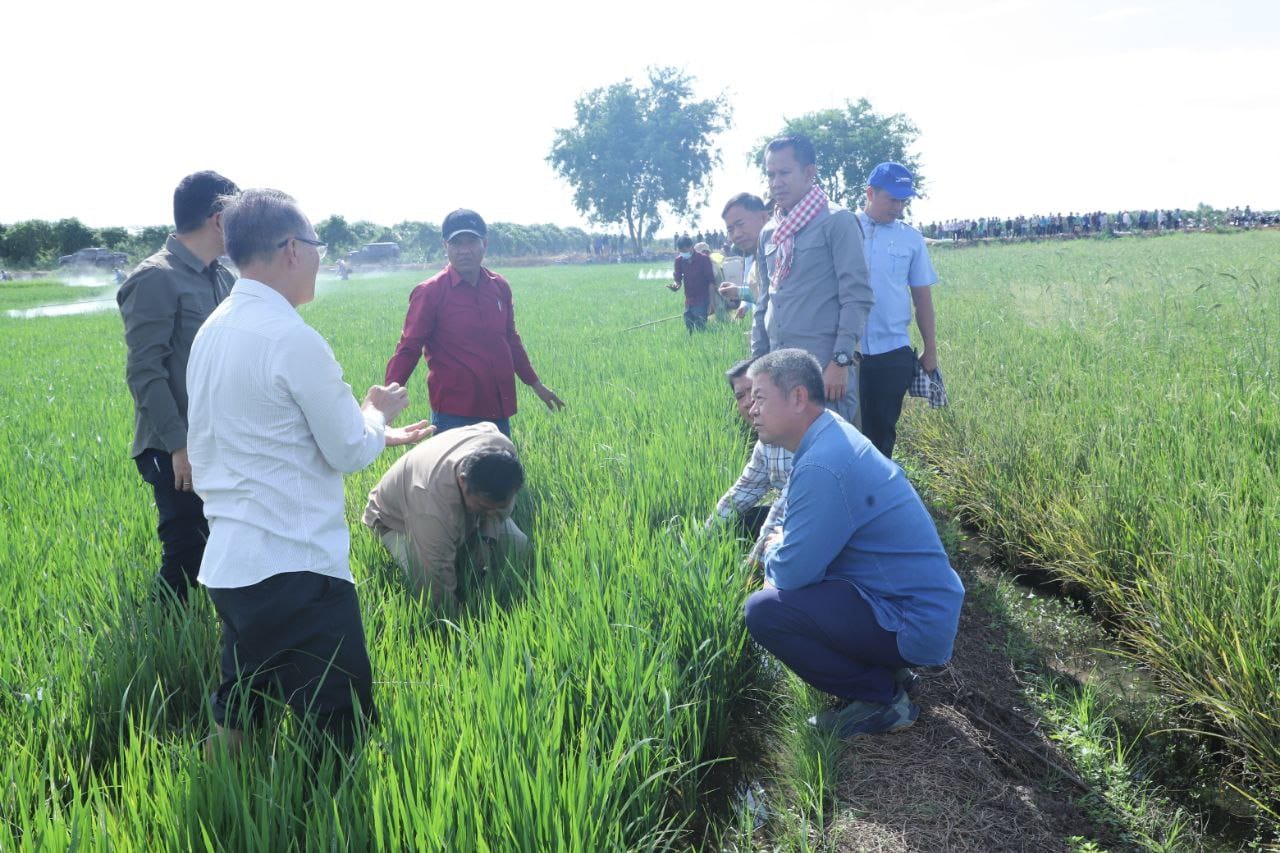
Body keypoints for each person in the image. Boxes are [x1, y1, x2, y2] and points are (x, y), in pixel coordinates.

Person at [186, 188, 432, 753]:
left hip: (230, 567)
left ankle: (224, 796)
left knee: (240, 708)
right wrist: (376, 413)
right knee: (339, 730)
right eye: (318, 245)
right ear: (293, 248)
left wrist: (372, 429)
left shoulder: (212, 331)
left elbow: (252, 436)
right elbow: (348, 450)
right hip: (295, 569)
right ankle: (329, 808)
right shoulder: (292, 339)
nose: (322, 258)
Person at [742, 349, 964, 738]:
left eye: (759, 397)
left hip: (912, 622)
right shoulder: (830, 434)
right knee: (805, 582)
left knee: (765, 612)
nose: (751, 409)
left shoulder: (823, 464)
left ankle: (882, 699)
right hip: (915, 607)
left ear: (798, 397)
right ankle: (888, 670)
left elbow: (792, 574)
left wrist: (774, 548)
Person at [117, 170, 239, 605]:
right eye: (238, 215)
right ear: (219, 218)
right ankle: (164, 636)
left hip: (219, 437)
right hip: (175, 446)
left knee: (224, 544)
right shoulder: (156, 277)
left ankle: (218, 626)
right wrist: (179, 445)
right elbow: (144, 371)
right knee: (186, 551)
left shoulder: (223, 278)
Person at [384, 209, 564, 438]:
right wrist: (387, 399)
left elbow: (510, 340)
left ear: (484, 244)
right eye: (456, 243)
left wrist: (536, 385)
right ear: (445, 246)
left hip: (498, 409)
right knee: (454, 464)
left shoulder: (499, 287)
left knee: (500, 463)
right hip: (455, 414)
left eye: (471, 241)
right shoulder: (430, 292)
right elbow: (409, 348)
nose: (464, 250)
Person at [752, 135, 874, 425]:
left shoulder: (836, 221)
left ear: (809, 172)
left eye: (784, 173)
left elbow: (856, 297)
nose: (776, 183)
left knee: (830, 448)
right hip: (779, 371)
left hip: (824, 372)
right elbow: (765, 302)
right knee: (786, 449)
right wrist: (755, 366)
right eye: (770, 174)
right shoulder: (770, 232)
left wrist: (840, 362)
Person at [363, 422, 527, 610]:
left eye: (499, 507)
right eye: (484, 507)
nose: (491, 513)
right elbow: (436, 578)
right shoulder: (431, 505)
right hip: (394, 521)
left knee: (517, 544)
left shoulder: (503, 449)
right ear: (462, 481)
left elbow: (488, 426)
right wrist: (456, 619)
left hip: (452, 501)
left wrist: (487, 537)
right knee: (428, 577)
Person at [855, 162, 940, 459]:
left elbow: (922, 298)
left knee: (882, 432)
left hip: (892, 351)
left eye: (903, 201)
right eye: (892, 199)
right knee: (846, 430)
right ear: (870, 193)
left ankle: (878, 486)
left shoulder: (911, 239)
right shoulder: (844, 229)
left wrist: (930, 349)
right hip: (846, 352)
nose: (898, 208)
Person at [706, 358, 792, 563]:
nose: (747, 402)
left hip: (830, 527)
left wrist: (753, 565)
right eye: (740, 396)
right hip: (799, 518)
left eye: (753, 391)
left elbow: (786, 507)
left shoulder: (799, 435)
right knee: (740, 521)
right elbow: (743, 491)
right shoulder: (766, 443)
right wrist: (702, 537)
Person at [717, 192, 772, 318]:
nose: (736, 234)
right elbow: (762, 294)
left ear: (763, 217)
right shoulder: (755, 263)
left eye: (741, 224)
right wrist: (737, 291)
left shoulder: (783, 255)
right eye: (730, 230)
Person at [667, 235, 715, 332]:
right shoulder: (679, 261)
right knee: (689, 329)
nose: (683, 254)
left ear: (691, 247)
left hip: (703, 299)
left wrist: (712, 303)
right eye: (681, 252)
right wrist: (675, 286)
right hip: (689, 301)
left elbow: (711, 282)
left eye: (685, 251)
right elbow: (678, 280)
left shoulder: (704, 259)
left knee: (700, 329)